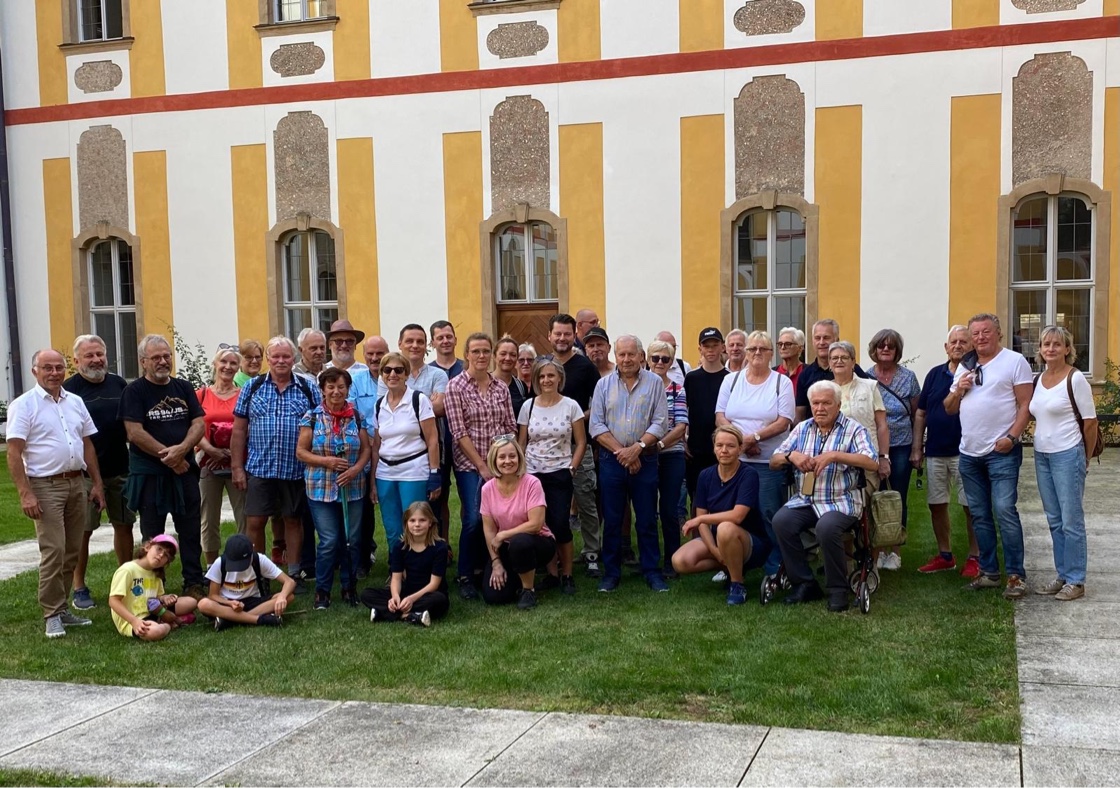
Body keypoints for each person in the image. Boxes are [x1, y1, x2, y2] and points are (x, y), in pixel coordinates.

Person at [7, 348, 106, 638]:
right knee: (54, 550)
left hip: (77, 483)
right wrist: (25, 493)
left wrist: (96, 483)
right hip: (44, 485)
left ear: (66, 370)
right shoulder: (24, 406)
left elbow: (86, 444)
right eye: (47, 368)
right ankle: (51, 613)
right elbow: (14, 453)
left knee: (72, 549)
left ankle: (62, 608)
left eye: (58, 368)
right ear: (34, 371)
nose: (53, 373)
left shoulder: (74, 402)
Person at [945, 313, 1033, 599]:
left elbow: (1025, 404)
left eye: (986, 332)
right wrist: (959, 390)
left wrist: (1012, 437)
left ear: (998, 334)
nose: (980, 337)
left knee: (1005, 510)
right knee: (980, 515)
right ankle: (989, 573)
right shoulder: (965, 365)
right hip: (969, 452)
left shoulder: (1014, 361)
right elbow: (949, 408)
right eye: (976, 334)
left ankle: (1016, 576)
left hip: (1001, 451)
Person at [770, 381, 878, 612]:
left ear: (838, 405)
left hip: (841, 501)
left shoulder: (853, 429)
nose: (820, 408)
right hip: (807, 499)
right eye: (816, 403)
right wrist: (792, 456)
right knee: (781, 521)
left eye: (826, 403)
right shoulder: (802, 428)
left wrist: (835, 455)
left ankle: (838, 589)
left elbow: (871, 461)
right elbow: (774, 460)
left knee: (826, 528)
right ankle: (804, 583)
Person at [119, 335, 208, 598]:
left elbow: (198, 423)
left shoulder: (182, 387)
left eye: (166, 356)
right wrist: (169, 458)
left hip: (185, 474)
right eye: (155, 357)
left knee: (191, 531)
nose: (162, 361)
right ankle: (154, 588)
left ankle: (193, 583)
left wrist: (181, 451)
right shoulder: (133, 392)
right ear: (143, 361)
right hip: (151, 477)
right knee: (153, 536)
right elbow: (134, 432)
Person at [231, 336, 322, 591]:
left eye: (286, 356)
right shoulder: (252, 387)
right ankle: (259, 574)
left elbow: (320, 425)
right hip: (260, 468)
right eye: (276, 356)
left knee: (293, 520)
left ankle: (294, 574)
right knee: (255, 522)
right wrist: (237, 467)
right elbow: (239, 430)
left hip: (295, 469)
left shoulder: (307, 387)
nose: (281, 361)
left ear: (293, 359)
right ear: (267, 359)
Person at [590, 335, 670, 592]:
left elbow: (660, 422)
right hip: (612, 460)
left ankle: (651, 571)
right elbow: (596, 425)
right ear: (616, 355)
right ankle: (611, 573)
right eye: (621, 354)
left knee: (646, 518)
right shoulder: (603, 385)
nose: (626, 359)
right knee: (612, 519)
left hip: (644, 459)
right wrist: (623, 453)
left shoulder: (655, 383)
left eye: (631, 354)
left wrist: (637, 449)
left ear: (641, 356)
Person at [715, 330, 794, 583]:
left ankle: (776, 563)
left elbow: (784, 422)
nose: (757, 353)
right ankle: (734, 560)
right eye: (752, 349)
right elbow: (720, 416)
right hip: (734, 461)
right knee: (732, 513)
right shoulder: (731, 381)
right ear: (745, 353)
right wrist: (741, 442)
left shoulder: (782, 383)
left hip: (768, 462)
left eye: (763, 349)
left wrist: (754, 438)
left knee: (770, 513)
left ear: (772, 354)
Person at [63, 334, 134, 610]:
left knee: (124, 524)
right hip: (84, 473)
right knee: (84, 530)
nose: (96, 360)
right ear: (77, 360)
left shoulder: (118, 383)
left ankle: (125, 580)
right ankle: (79, 587)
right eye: (89, 355)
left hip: (120, 468)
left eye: (99, 354)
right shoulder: (70, 390)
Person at [445, 332, 517, 599]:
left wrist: (506, 461)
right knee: (474, 519)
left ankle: (491, 568)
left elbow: (509, 426)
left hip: (502, 465)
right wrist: (482, 466)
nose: (481, 356)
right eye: (476, 351)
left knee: (500, 519)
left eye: (486, 351)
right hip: (470, 465)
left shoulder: (500, 387)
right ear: (467, 354)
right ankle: (465, 574)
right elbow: (458, 431)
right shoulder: (456, 387)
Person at [1029, 325, 1097, 602]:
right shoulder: (1038, 379)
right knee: (1055, 520)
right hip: (1041, 454)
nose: (1051, 349)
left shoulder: (1076, 378)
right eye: (1046, 344)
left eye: (1057, 344)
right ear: (1040, 350)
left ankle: (1077, 579)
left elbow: (1090, 422)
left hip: (1068, 454)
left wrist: (1085, 458)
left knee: (1071, 521)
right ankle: (1063, 575)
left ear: (1067, 349)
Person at [296, 367, 372, 610]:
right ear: (323, 390)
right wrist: (326, 461)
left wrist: (355, 469)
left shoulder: (356, 416)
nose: (336, 391)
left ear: (348, 389)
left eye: (341, 386)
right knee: (329, 540)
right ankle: (323, 590)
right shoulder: (312, 417)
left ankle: (349, 587)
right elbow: (301, 452)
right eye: (331, 387)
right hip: (320, 488)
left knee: (352, 539)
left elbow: (366, 450)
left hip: (353, 487)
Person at [671, 426, 769, 605]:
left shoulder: (749, 475)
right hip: (720, 539)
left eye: (730, 446)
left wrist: (700, 519)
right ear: (714, 448)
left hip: (751, 542)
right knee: (680, 561)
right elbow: (702, 521)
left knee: (725, 527)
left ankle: (737, 584)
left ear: (740, 449)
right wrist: (716, 552)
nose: (724, 450)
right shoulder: (705, 475)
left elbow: (737, 516)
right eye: (719, 445)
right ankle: (729, 564)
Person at [911, 326, 979, 577]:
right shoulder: (935, 374)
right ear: (946, 347)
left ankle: (975, 557)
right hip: (936, 450)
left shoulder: (976, 373)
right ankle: (945, 555)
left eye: (963, 341)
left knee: (970, 506)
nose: (958, 346)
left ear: (971, 346)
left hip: (967, 451)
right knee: (936, 504)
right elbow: (921, 412)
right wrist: (917, 448)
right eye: (954, 342)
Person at [517, 357, 587, 594]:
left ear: (559, 378)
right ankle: (551, 573)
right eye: (542, 377)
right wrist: (521, 470)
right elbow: (522, 442)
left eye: (551, 376)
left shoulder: (571, 406)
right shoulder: (529, 406)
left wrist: (572, 468)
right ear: (536, 380)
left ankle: (567, 573)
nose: (546, 380)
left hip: (560, 472)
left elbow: (581, 441)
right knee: (540, 524)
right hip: (533, 474)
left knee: (560, 523)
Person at [546, 314, 602, 576]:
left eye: (567, 334)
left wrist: (576, 419)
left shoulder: (585, 366)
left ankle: (591, 552)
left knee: (585, 500)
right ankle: (552, 554)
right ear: (550, 336)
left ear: (574, 335)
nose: (562, 338)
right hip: (547, 449)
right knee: (551, 505)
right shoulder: (543, 367)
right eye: (557, 334)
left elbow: (597, 404)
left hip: (580, 444)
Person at [372, 352, 441, 551]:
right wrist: (372, 482)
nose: (392, 374)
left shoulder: (418, 400)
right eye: (387, 370)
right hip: (385, 472)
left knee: (415, 523)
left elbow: (433, 440)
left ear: (406, 374)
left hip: (413, 470)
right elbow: (377, 445)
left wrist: (435, 473)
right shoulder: (379, 405)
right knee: (392, 527)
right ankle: (397, 570)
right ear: (382, 375)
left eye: (398, 370)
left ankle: (416, 570)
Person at [480, 436, 556, 609]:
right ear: (494, 460)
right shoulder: (487, 489)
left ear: (519, 458)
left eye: (512, 456)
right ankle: (516, 579)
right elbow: (489, 529)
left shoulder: (532, 483)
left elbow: (536, 524)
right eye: (502, 457)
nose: (508, 461)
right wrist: (496, 562)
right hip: (506, 545)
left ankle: (528, 591)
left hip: (538, 542)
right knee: (494, 597)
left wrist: (505, 534)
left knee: (519, 542)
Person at [867, 329, 921, 569]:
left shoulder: (908, 378)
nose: (885, 349)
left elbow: (917, 414)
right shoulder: (866, 378)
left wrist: (917, 448)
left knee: (897, 498)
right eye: (881, 346)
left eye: (890, 346)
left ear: (897, 351)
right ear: (875, 350)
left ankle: (895, 551)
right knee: (873, 498)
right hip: (872, 447)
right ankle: (876, 551)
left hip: (901, 446)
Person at [196, 345, 247, 565]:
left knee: (244, 515)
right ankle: (211, 565)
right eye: (223, 362)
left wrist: (234, 452)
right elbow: (193, 427)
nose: (228, 367)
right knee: (209, 516)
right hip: (208, 462)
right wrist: (210, 449)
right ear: (215, 364)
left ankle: (243, 561)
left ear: (238, 367)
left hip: (238, 463)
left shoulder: (244, 394)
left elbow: (248, 426)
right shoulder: (201, 394)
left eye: (233, 363)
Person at [361, 501, 450, 626]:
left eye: (422, 520)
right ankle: (412, 616)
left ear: (430, 522)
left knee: (439, 600)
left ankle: (384, 613)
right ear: (406, 524)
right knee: (367, 594)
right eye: (412, 520)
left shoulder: (440, 547)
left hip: (428, 593)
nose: (417, 525)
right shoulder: (400, 546)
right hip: (406, 591)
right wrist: (395, 597)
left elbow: (434, 584)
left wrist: (411, 599)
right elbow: (396, 578)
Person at [647, 339, 688, 579]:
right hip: (646, 455)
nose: (660, 362)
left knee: (670, 510)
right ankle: (649, 559)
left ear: (671, 362)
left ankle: (671, 561)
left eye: (665, 359)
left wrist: (660, 444)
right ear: (648, 359)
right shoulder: (641, 388)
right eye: (656, 358)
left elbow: (681, 425)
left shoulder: (677, 389)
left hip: (671, 454)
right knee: (646, 509)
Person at [108, 535, 198, 641]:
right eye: (159, 549)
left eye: (166, 555)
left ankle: (168, 619)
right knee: (154, 632)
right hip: (133, 619)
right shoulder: (127, 570)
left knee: (191, 602)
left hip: (154, 612)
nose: (160, 555)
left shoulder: (156, 573)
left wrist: (165, 598)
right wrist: (134, 621)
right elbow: (113, 601)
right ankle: (169, 624)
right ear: (147, 547)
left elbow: (158, 597)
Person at [198, 533, 295, 629]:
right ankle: (258, 619)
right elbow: (213, 595)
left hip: (253, 600)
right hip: (227, 604)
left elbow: (289, 582)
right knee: (203, 604)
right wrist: (230, 603)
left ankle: (231, 620)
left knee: (288, 596)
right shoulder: (220, 563)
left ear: (252, 550)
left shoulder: (260, 559)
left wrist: (282, 596)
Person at [828, 341, 890, 488]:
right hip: (834, 461)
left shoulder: (870, 386)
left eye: (844, 357)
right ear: (829, 363)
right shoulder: (825, 390)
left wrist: (884, 458)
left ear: (853, 361)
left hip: (866, 458)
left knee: (868, 507)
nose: (839, 361)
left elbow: (882, 425)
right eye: (834, 358)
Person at [685, 328, 730, 507]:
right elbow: (684, 411)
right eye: (707, 346)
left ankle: (719, 533)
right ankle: (697, 533)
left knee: (722, 493)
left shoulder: (730, 379)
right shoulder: (692, 378)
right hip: (696, 446)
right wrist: (684, 439)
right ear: (700, 349)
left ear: (722, 348)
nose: (711, 350)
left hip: (722, 445)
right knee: (696, 496)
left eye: (715, 345)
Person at [794, 319, 868, 423]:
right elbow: (800, 416)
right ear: (812, 341)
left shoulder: (852, 370)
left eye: (826, 338)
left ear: (837, 340)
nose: (821, 342)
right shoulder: (805, 375)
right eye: (817, 338)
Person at [429, 319, 463, 541]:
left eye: (448, 336)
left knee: (470, 496)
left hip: (464, 441)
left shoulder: (465, 368)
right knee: (440, 497)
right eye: (440, 337)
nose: (445, 341)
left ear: (455, 339)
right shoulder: (429, 371)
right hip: (438, 442)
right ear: (432, 342)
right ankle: (443, 543)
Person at [495, 335, 531, 418]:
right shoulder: (484, 383)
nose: (508, 358)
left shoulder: (521, 387)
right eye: (503, 354)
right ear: (494, 356)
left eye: (513, 355)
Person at [774, 327, 806, 395]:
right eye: (780, 344)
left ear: (800, 348)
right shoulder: (773, 373)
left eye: (788, 344)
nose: (783, 347)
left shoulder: (809, 372)